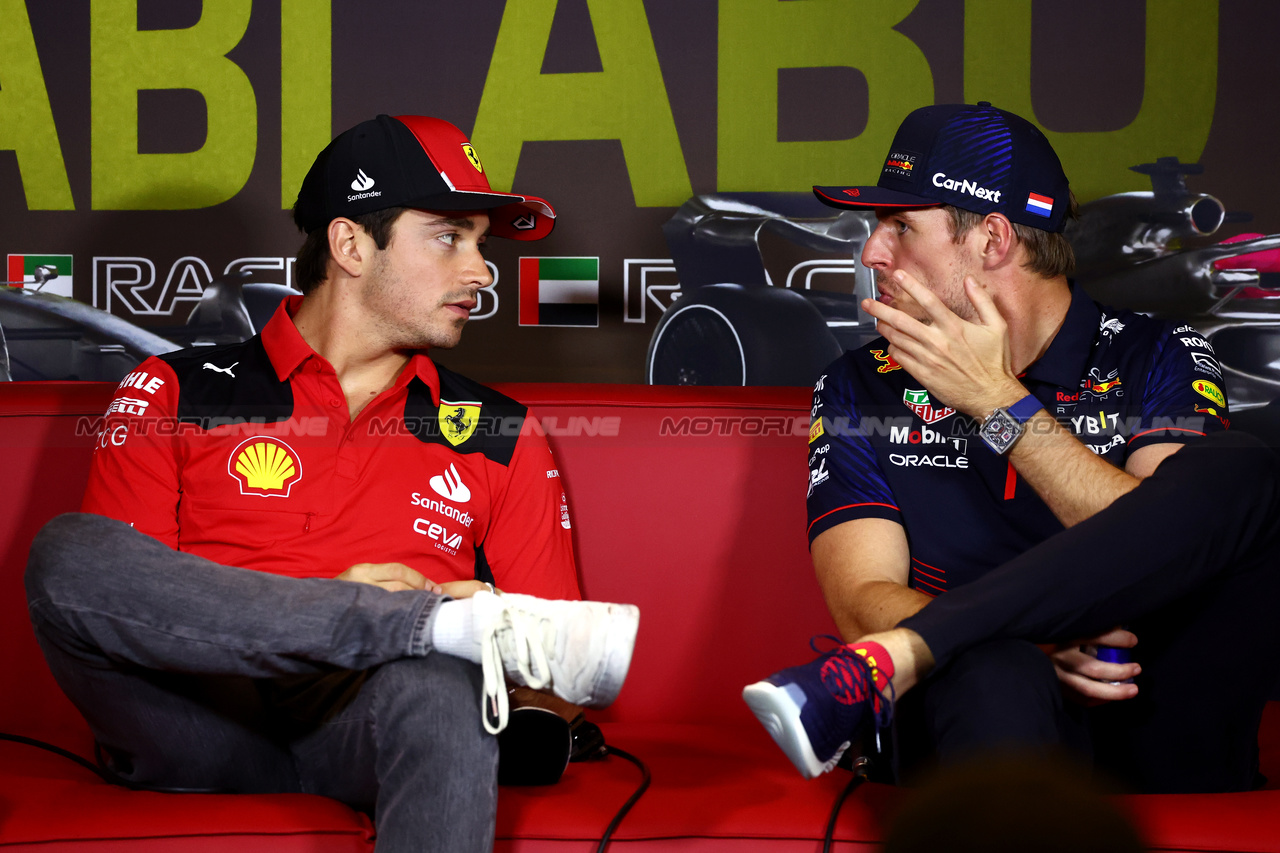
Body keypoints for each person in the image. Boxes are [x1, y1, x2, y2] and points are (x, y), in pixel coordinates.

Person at [24, 114, 639, 852]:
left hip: (369, 727)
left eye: (481, 242)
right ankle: (407, 625)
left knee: (443, 692)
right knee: (67, 553)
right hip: (197, 724)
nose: (480, 270)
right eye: (449, 237)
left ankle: (420, 636)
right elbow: (132, 614)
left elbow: (556, 676)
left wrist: (476, 646)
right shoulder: (171, 388)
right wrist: (352, 613)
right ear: (350, 244)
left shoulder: (499, 431)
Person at [742, 102, 1280, 793]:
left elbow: (1178, 551)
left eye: (901, 225)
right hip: (975, 708)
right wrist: (1031, 636)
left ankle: (916, 647)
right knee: (997, 667)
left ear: (992, 239)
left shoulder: (1162, 353)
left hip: (1150, 703)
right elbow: (860, 599)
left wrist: (999, 405)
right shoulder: (859, 384)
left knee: (1246, 469)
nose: (873, 251)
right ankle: (945, 650)